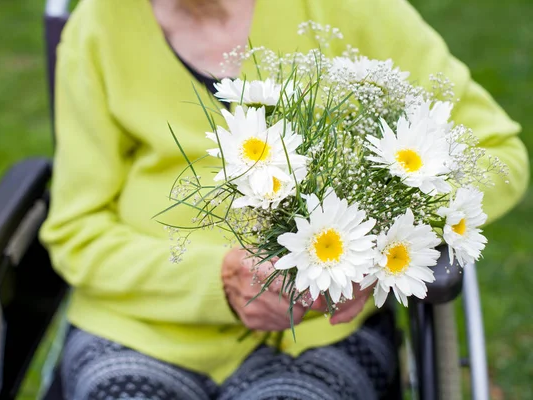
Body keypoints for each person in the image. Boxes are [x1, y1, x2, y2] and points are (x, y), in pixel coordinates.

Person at [39, 0, 529, 398]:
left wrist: (374, 246)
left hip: (323, 332)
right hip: (142, 328)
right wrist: (219, 280)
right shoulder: (99, 26)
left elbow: (497, 153)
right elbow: (76, 231)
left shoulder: (351, 9)